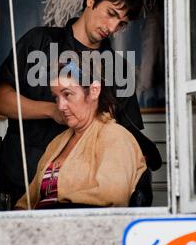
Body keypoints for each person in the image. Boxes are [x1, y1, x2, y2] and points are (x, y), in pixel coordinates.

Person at [0, 0, 161, 208]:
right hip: (20, 184)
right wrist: (51, 110)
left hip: (79, 197)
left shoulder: (119, 70)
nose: (112, 27)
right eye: (111, 14)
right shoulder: (39, 43)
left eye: (121, 23)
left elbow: (125, 136)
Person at [15, 58, 147, 209]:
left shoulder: (115, 136)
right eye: (56, 97)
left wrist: (54, 207)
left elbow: (113, 196)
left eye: (67, 94)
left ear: (94, 91)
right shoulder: (57, 143)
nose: (60, 106)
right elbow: (27, 202)